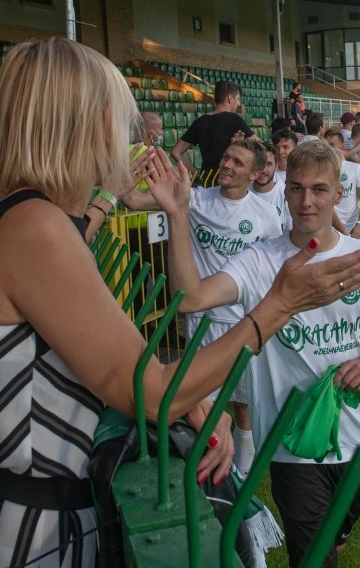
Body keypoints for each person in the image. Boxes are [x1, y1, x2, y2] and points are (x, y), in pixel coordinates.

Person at [0, 38, 360, 568]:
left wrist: (194, 404)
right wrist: (279, 306)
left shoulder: (34, 220)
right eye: (123, 124)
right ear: (94, 121)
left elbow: (111, 362)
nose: (130, 142)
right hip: (32, 536)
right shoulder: (35, 228)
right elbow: (151, 394)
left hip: (37, 522)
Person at [144, 139, 360, 568]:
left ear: (339, 193)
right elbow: (189, 298)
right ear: (284, 191)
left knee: (333, 539)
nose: (306, 200)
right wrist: (178, 213)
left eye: (319, 190)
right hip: (288, 443)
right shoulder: (261, 260)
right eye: (296, 188)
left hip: (357, 440)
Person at [116, 139, 283, 476]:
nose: (227, 164)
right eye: (226, 157)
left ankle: (242, 470)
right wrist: (124, 174)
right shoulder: (195, 199)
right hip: (203, 321)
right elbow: (133, 201)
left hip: (244, 323)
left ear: (255, 173)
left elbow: (273, 269)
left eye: (237, 162)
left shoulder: (266, 216)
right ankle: (212, 473)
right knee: (202, 404)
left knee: (243, 404)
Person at [171, 80, 258, 186]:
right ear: (230, 98)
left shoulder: (200, 121)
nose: (239, 103)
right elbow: (260, 145)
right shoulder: (234, 119)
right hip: (227, 180)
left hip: (206, 181)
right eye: (238, 99)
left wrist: (195, 173)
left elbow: (176, 152)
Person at [324, 130, 360, 240]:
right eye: (326, 144)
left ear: (342, 145)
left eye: (333, 144)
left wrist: (359, 225)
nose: (329, 148)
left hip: (351, 229)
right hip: (329, 228)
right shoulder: (321, 170)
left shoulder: (354, 168)